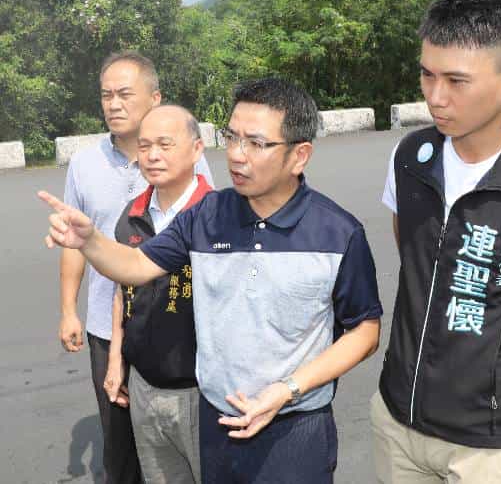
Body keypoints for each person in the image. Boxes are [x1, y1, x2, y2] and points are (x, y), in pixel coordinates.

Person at [40, 77, 382, 484]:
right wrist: (90, 241)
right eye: (232, 138)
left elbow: (365, 331)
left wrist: (289, 388)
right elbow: (135, 266)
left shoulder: (337, 233)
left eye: (256, 143)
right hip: (216, 424)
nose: (236, 155)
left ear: (299, 155)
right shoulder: (207, 216)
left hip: (295, 429)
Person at [373, 0, 501, 483]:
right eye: (427, 74)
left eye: (456, 80)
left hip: (494, 452)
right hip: (399, 427)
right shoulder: (411, 158)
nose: (435, 97)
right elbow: (419, 267)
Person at [59, 50, 213, 483]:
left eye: (124, 94)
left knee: (186, 446)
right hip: (108, 324)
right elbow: (75, 244)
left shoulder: (187, 158)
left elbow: (209, 241)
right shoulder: (84, 165)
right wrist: (68, 310)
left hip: (177, 328)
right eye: (106, 95)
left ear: (155, 98)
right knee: (121, 447)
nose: (113, 104)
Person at [104, 105, 211, 483]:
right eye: (145, 145)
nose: (152, 155)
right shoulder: (131, 216)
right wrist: (116, 359)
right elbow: (123, 290)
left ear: (197, 149)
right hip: (145, 386)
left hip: (203, 391)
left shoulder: (218, 217)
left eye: (165, 145)